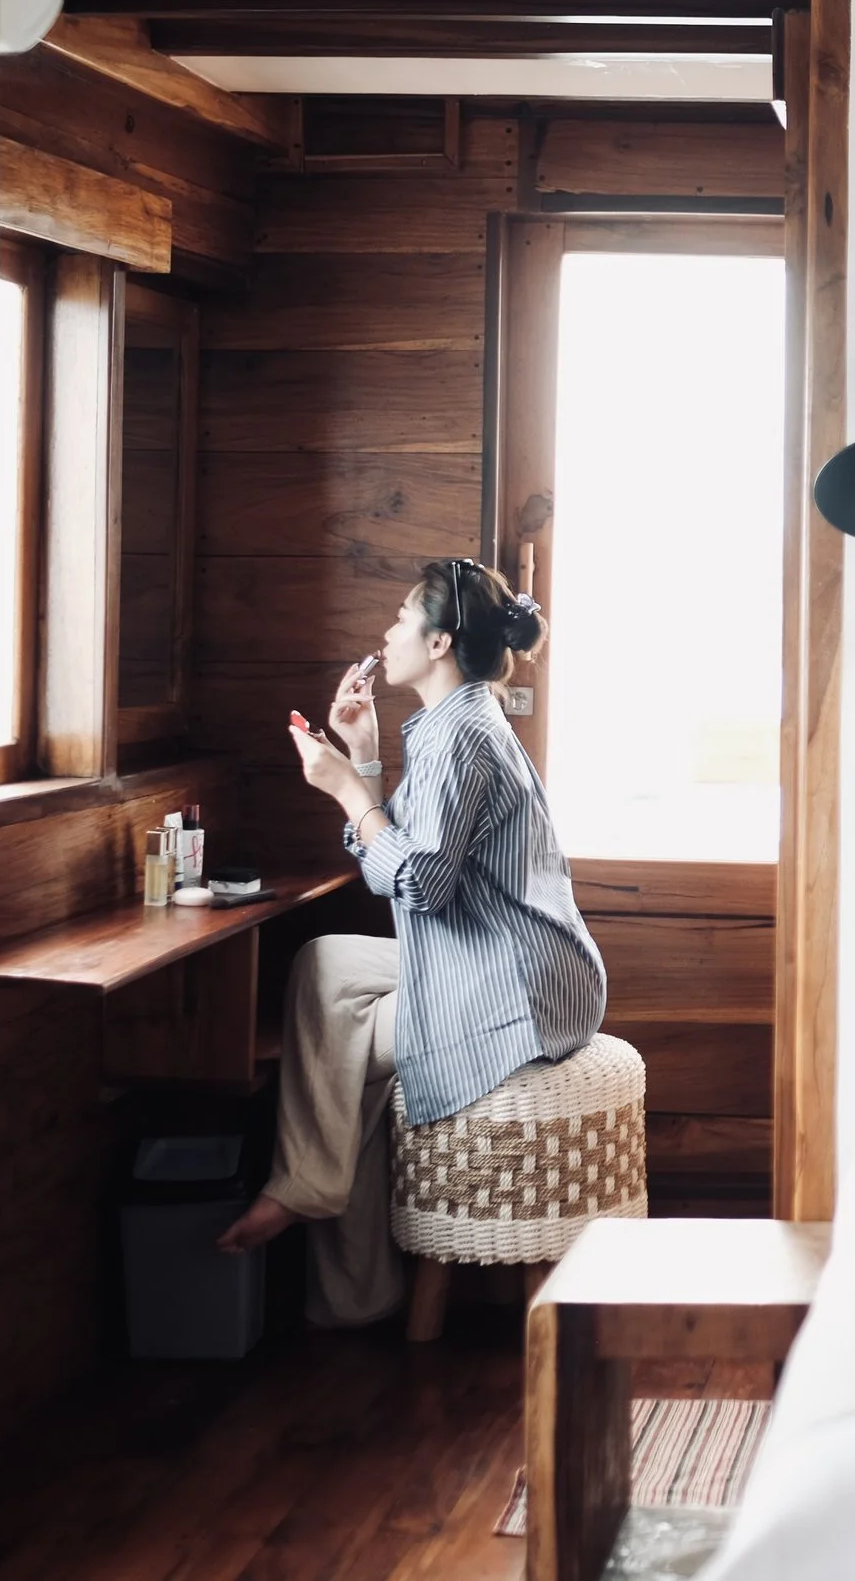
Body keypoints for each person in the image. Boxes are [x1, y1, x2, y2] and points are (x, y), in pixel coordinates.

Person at [215, 558, 607, 1326]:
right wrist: (361, 757)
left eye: (401, 618)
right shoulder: (451, 723)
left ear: (440, 642)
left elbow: (420, 884)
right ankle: (341, 1258)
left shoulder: (461, 736)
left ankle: (327, 1239)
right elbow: (399, 862)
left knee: (345, 1053)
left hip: (518, 986)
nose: (386, 633)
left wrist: (348, 792)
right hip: (494, 955)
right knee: (325, 965)